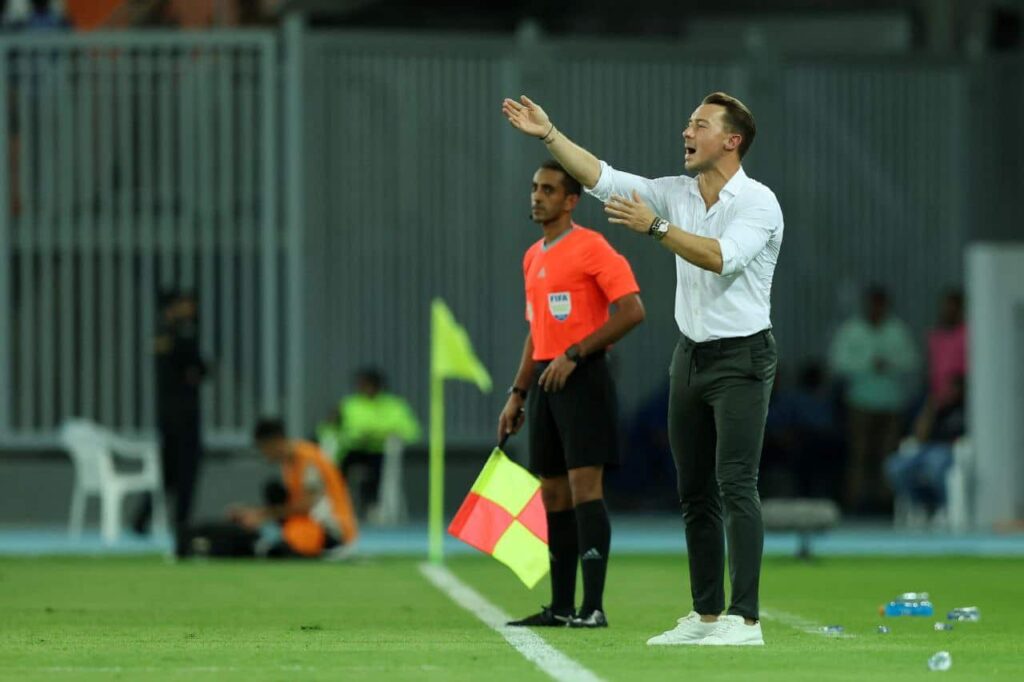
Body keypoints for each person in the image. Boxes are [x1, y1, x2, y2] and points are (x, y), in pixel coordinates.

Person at [503, 91, 782, 646]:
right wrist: (550, 134)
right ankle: (706, 615)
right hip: (691, 355)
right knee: (694, 491)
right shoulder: (678, 192)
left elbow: (721, 257)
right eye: (688, 122)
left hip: (742, 356)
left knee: (735, 483)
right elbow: (602, 177)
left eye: (699, 125)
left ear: (732, 141)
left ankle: (745, 619)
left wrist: (655, 228)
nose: (686, 132)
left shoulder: (758, 202)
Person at [497, 159, 645, 629]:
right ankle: (561, 606)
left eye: (548, 190)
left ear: (571, 201)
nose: (537, 196)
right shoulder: (532, 256)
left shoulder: (591, 247)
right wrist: (517, 393)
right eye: (534, 188)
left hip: (584, 379)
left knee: (584, 489)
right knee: (553, 494)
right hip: (545, 380)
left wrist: (575, 354)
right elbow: (536, 331)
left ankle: (593, 607)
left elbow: (632, 311)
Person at [178, 418, 359, 558]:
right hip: (311, 525)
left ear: (275, 441)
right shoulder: (289, 464)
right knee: (273, 491)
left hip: (333, 532)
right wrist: (253, 513)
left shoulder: (308, 459)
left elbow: (306, 506)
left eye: (263, 449)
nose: (264, 455)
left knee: (276, 552)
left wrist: (261, 515)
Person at [828, 285, 919, 513]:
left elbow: (912, 360)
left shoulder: (897, 330)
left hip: (890, 403)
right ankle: (856, 501)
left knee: (888, 454)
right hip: (860, 403)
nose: (877, 309)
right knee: (859, 454)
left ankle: (886, 502)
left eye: (881, 305)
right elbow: (838, 362)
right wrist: (868, 363)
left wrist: (890, 363)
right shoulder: (852, 330)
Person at [134, 289, 207, 535]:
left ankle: (144, 518)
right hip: (183, 415)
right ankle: (180, 522)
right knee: (184, 469)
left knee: (168, 471)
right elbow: (197, 368)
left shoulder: (164, 335)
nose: (191, 309)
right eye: (185, 304)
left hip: (169, 414)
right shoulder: (181, 335)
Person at [318, 368, 421, 519]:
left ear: (378, 386)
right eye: (361, 385)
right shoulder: (349, 404)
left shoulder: (394, 406)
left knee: (376, 472)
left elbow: (412, 431)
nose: (363, 388)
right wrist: (334, 426)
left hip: (380, 450)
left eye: (367, 385)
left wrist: (379, 434)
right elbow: (328, 429)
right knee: (338, 469)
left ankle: (373, 506)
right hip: (354, 449)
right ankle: (337, 503)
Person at [885, 374, 966, 517]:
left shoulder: (965, 409)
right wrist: (930, 409)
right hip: (926, 449)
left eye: (954, 388)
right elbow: (919, 436)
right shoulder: (938, 408)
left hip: (949, 450)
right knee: (895, 467)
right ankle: (922, 504)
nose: (950, 391)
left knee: (935, 466)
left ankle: (943, 506)